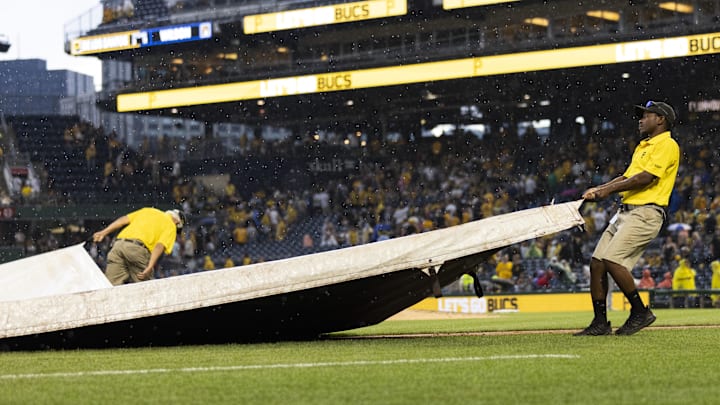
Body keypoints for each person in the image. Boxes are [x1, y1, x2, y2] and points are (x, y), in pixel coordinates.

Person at [576, 100, 680, 336]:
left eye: (646, 115)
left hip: (647, 212)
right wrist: (599, 189)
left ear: (661, 119)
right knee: (597, 263)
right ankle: (600, 323)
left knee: (613, 260)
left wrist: (607, 191)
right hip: (626, 212)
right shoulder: (643, 146)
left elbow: (646, 178)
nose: (641, 119)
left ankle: (640, 311)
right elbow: (627, 176)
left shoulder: (668, 144)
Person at [93, 207, 185, 285]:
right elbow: (159, 246)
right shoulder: (171, 225)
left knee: (110, 287)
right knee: (147, 289)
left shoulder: (148, 210)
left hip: (118, 246)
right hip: (137, 250)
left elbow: (123, 220)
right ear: (177, 222)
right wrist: (150, 266)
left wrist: (103, 232)